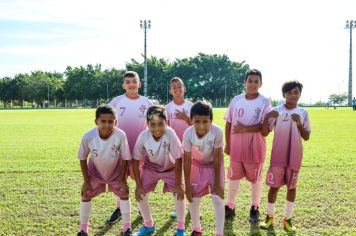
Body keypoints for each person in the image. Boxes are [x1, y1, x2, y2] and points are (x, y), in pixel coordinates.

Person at [260, 81, 311, 233]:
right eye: (289, 93)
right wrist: (267, 117)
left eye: (296, 92)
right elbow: (264, 132)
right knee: (274, 187)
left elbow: (306, 136)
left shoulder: (303, 113)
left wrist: (300, 124)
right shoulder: (276, 110)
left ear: (300, 94)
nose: (292, 95)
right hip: (278, 156)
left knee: (291, 187)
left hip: (295, 156)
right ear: (283, 95)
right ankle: (269, 216)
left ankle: (287, 219)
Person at [224, 69, 272, 224]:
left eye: (256, 81)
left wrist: (245, 129)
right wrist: (228, 143)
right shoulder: (236, 100)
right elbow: (229, 122)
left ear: (261, 84)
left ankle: (255, 207)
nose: (252, 84)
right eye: (250, 81)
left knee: (255, 179)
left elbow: (265, 129)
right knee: (233, 178)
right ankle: (230, 206)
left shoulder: (265, 102)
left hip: (256, 147)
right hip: (237, 147)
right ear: (244, 83)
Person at [77, 105, 132, 236]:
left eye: (110, 122)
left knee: (124, 193)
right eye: (103, 121)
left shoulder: (120, 135)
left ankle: (127, 229)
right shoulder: (88, 136)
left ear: (115, 122)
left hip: (116, 173)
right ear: (96, 122)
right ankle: (83, 230)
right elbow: (82, 158)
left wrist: (123, 180)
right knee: (86, 194)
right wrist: (86, 181)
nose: (107, 125)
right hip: (95, 173)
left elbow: (125, 158)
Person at [132, 105, 186, 236]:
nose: (157, 128)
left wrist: (179, 184)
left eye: (160, 124)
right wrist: (139, 185)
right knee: (140, 194)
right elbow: (135, 160)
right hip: (151, 168)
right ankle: (148, 225)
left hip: (171, 168)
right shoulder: (143, 136)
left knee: (179, 194)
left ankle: (180, 228)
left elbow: (179, 159)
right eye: (153, 124)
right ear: (147, 124)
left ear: (166, 122)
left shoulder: (170, 133)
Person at [107, 71, 153, 223]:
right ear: (123, 85)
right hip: (120, 148)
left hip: (140, 149)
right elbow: (107, 121)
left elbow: (153, 126)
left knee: (140, 180)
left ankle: (142, 208)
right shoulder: (116, 101)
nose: (131, 84)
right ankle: (120, 208)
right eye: (128, 82)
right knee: (120, 179)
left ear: (140, 84)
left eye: (134, 81)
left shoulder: (147, 103)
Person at [184, 101, 225, 236]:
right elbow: (187, 159)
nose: (201, 126)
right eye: (197, 121)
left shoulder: (217, 131)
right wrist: (187, 185)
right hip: (197, 165)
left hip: (214, 165)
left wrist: (218, 184)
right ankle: (197, 229)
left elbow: (218, 158)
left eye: (205, 122)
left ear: (211, 120)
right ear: (191, 121)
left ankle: (219, 233)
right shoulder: (188, 134)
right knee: (193, 198)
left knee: (217, 198)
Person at [166, 76, 193, 219]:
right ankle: (179, 207)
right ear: (170, 91)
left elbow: (198, 126)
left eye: (179, 86)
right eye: (174, 87)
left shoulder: (191, 106)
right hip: (174, 148)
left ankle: (193, 207)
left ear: (184, 88)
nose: (177, 89)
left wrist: (185, 118)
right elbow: (165, 128)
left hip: (190, 147)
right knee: (177, 177)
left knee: (191, 176)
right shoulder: (167, 108)